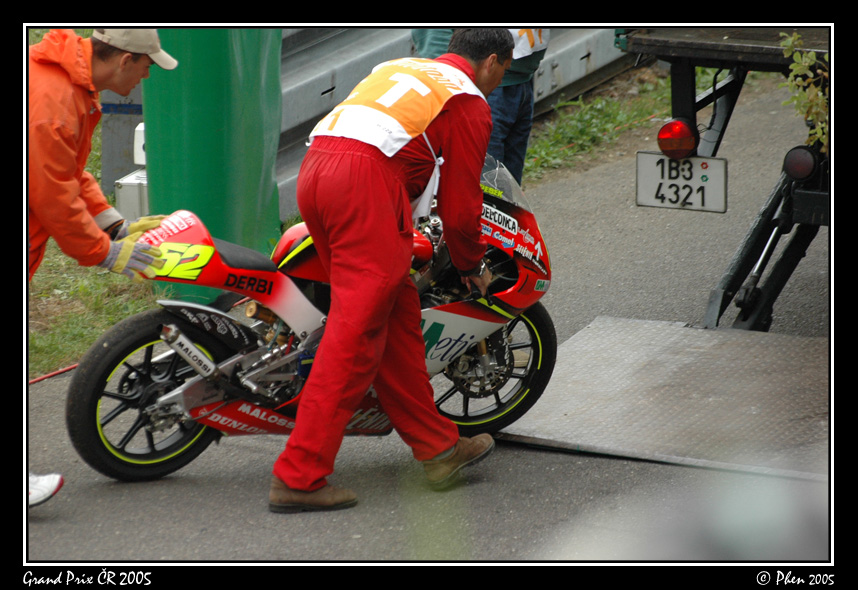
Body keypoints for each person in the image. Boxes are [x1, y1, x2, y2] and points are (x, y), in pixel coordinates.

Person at [269, 28, 515, 513]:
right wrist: (471, 265)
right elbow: (462, 207)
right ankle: (299, 474)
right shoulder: (468, 100)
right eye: (502, 74)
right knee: (354, 338)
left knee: (397, 314)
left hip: (317, 172)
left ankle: (440, 449)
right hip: (363, 184)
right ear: (491, 62)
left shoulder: (399, 67)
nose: (498, 83)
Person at [27, 28, 177, 507]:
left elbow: (68, 171)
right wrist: (107, 253)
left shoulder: (69, 85)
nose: (149, 73)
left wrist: (113, 225)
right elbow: (50, 196)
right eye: (148, 64)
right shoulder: (52, 102)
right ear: (125, 60)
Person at [412, 28, 549, 184]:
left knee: (507, 187)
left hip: (522, 77)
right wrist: (456, 83)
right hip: (481, 82)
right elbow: (433, 36)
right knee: (483, 183)